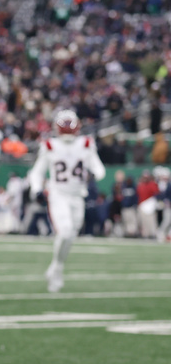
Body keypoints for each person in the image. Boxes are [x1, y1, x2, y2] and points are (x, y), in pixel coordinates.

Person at [28, 109, 106, 292]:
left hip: (78, 196)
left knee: (70, 235)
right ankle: (57, 270)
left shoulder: (86, 144)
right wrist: (37, 189)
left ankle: (56, 265)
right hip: (58, 195)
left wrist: (94, 174)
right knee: (64, 232)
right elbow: (37, 172)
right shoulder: (49, 145)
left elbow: (99, 168)